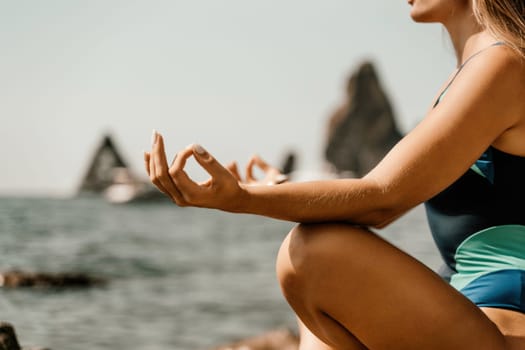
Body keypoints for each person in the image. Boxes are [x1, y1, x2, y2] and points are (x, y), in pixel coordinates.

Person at [144, 0, 525, 348]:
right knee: (319, 283)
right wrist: (281, 191)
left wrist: (241, 199)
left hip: (506, 329)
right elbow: (372, 197)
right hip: (473, 318)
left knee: (314, 254)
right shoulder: (471, 74)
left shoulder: (503, 65)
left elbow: (381, 200)